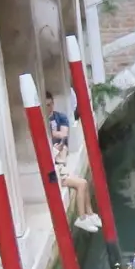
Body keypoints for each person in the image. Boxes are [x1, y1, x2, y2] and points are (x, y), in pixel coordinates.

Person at [44, 89, 100, 232]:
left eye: (50, 104)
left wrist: (54, 137)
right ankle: (81, 218)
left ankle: (90, 214)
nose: (48, 107)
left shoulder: (60, 118)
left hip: (60, 163)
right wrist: (56, 140)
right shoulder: (43, 124)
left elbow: (63, 134)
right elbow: (58, 139)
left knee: (85, 183)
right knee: (81, 184)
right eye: (46, 105)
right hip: (55, 170)